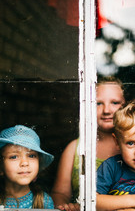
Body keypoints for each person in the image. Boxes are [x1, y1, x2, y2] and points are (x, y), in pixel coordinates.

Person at [51, 76, 125, 211]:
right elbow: (60, 193)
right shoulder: (75, 148)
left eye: (115, 102)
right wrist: (66, 206)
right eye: (98, 103)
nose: (107, 110)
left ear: (124, 105)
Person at [96, 99, 135, 211]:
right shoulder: (110, 167)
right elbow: (93, 201)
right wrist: (134, 201)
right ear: (117, 142)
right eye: (131, 143)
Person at [0, 124, 55, 209]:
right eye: (14, 157)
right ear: (1, 167)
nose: (25, 163)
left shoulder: (44, 201)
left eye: (31, 156)